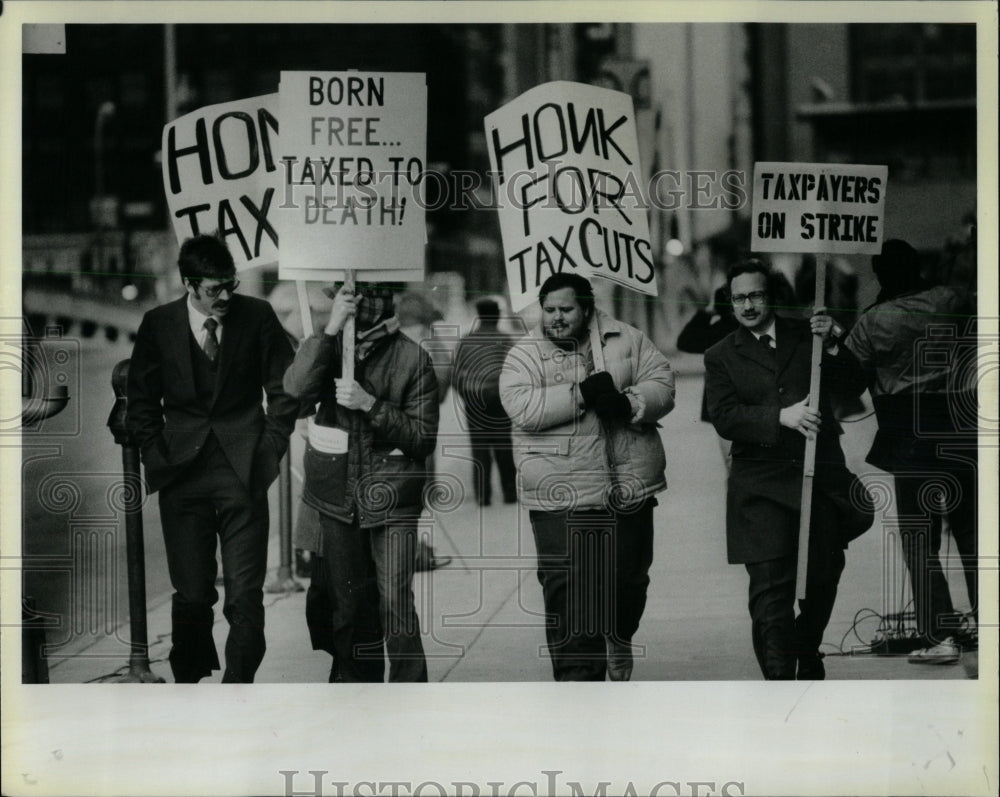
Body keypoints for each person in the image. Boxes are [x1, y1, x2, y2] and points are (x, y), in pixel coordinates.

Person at [127, 234, 298, 683]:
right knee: (193, 593)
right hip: (181, 477)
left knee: (244, 595)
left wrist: (269, 450)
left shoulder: (257, 316)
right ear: (189, 284)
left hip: (243, 473)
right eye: (213, 289)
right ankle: (189, 683)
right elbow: (141, 402)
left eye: (231, 285)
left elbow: (284, 392)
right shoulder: (158, 324)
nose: (225, 296)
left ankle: (238, 689)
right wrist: (154, 452)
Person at [499, 273, 675, 681]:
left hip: (626, 485)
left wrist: (630, 402)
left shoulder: (627, 339)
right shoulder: (524, 354)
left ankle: (619, 633)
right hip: (559, 493)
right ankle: (579, 692)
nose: (556, 318)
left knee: (628, 582)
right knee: (569, 595)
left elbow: (662, 384)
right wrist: (580, 395)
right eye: (549, 310)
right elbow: (521, 406)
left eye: (566, 309)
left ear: (587, 308)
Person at [704, 259, 873, 680]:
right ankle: (778, 684)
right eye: (739, 297)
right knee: (769, 592)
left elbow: (853, 385)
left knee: (823, 574)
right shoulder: (721, 355)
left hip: (819, 479)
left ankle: (807, 643)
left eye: (756, 295)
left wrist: (834, 342)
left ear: (771, 296)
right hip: (760, 486)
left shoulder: (809, 335)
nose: (747, 305)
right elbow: (724, 415)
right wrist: (780, 416)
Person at [283, 282, 439, 682]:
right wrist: (330, 330)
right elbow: (296, 392)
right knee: (348, 604)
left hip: (392, 499)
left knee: (395, 603)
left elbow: (422, 438)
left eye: (366, 294)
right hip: (337, 497)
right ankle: (356, 690)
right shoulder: (328, 345)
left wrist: (371, 405)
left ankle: (410, 693)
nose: (357, 302)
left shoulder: (411, 357)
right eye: (346, 294)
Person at [844, 239, 977, 663]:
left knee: (920, 541)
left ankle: (940, 636)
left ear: (881, 276)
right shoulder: (951, 300)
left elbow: (847, 383)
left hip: (909, 440)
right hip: (962, 432)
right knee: (973, 536)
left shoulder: (872, 322)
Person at [453, 298, 518, 506]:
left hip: (474, 400)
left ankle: (483, 496)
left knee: (479, 448)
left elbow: (456, 374)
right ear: (497, 316)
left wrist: (466, 394)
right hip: (500, 400)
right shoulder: (506, 339)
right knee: (504, 446)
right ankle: (510, 493)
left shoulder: (466, 341)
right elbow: (517, 372)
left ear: (479, 316)